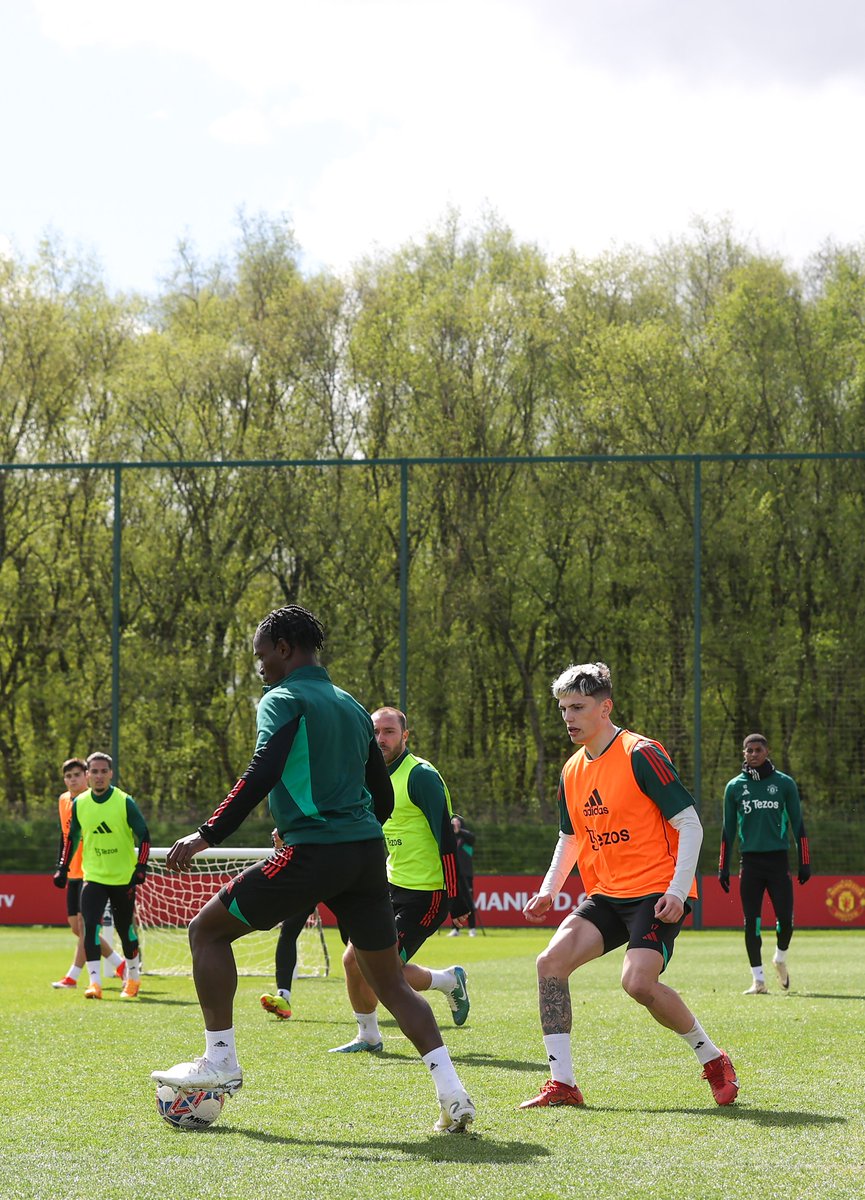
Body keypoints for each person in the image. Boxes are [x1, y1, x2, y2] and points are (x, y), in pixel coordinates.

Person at [150, 606, 475, 1134]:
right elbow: (383, 793)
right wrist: (358, 830)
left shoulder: (283, 699)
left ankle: (221, 1061)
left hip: (315, 853)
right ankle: (453, 1094)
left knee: (206, 931)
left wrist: (207, 834)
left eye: (260, 655)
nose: (258, 667)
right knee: (391, 982)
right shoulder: (351, 705)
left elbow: (262, 770)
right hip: (367, 855)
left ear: (283, 648)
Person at [521, 662, 738, 1109]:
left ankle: (713, 1059)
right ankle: (563, 1083)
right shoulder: (570, 771)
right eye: (563, 709)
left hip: (656, 892)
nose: (568, 717)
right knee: (550, 963)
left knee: (638, 983)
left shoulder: (641, 753)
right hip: (605, 895)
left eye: (578, 707)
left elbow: (690, 824)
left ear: (606, 707)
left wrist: (678, 892)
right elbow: (570, 837)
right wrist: (549, 889)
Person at [330, 706, 472, 1053]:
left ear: (404, 736)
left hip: (427, 894)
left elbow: (445, 836)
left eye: (389, 732)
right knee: (352, 961)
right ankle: (368, 1036)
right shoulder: (367, 776)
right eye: (376, 732)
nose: (381, 739)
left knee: (382, 971)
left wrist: (459, 899)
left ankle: (448, 981)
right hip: (389, 886)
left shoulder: (420, 775)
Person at [718, 732, 811, 995]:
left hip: (778, 862)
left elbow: (798, 824)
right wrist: (723, 866)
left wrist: (805, 861)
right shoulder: (735, 787)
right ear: (744, 753)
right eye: (749, 750)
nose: (754, 754)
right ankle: (758, 981)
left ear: (767, 751)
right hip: (750, 863)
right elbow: (728, 830)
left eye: (758, 750)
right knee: (752, 922)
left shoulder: (784, 784)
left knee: (786, 920)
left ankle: (780, 958)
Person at [53, 752, 150, 1001]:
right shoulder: (80, 803)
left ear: (110, 774)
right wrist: (62, 868)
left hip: (123, 878)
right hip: (93, 876)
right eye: (93, 772)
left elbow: (144, 835)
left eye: (103, 771)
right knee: (90, 926)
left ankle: (133, 979)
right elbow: (72, 838)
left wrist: (141, 866)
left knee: (124, 928)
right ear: (88, 775)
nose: (98, 776)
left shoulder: (124, 801)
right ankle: (94, 983)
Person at [447, 814, 477, 936]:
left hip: (466, 874)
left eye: (457, 823)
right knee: (454, 901)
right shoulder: (450, 837)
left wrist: (459, 830)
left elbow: (472, 838)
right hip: (454, 874)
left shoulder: (466, 837)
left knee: (469, 901)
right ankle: (455, 929)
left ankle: (472, 928)